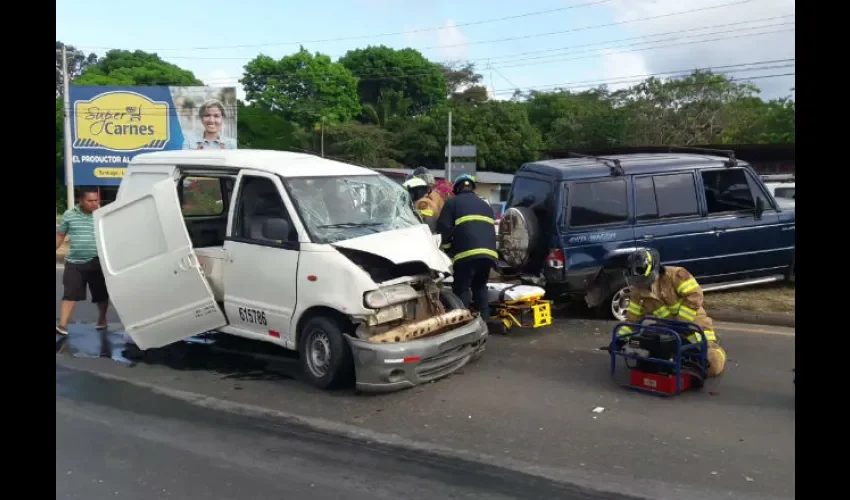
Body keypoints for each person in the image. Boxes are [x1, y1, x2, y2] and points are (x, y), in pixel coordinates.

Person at [617, 248, 727, 377]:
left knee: (711, 365)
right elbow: (632, 319)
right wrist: (620, 339)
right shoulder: (636, 292)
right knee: (653, 358)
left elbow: (695, 295)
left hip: (694, 326)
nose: (639, 284)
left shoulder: (676, 275)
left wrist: (682, 321)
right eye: (636, 280)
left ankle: (716, 349)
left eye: (642, 279)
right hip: (668, 329)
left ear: (654, 271)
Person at [436, 174, 498, 324]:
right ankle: (485, 321)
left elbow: (444, 229)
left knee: (462, 288)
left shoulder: (452, 203)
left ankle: (463, 323)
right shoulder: (486, 205)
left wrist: (447, 251)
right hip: (489, 255)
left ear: (456, 189)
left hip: (466, 255)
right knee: (480, 286)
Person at [55, 187, 110, 336]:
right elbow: (60, 235)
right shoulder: (69, 215)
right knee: (70, 294)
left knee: (101, 295)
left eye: (96, 200)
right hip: (75, 263)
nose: (94, 204)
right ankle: (62, 325)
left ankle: (102, 319)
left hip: (97, 261)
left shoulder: (102, 215)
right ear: (81, 201)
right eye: (90, 201)